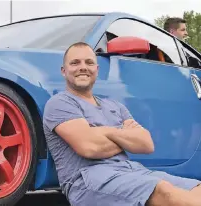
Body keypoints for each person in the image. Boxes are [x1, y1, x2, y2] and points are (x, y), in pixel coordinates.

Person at [42, 42, 201, 206]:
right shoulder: (60, 103)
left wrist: (103, 132)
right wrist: (125, 135)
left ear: (97, 69)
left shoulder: (115, 106)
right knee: (163, 190)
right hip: (89, 181)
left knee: (197, 187)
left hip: (131, 170)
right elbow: (89, 147)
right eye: (75, 63)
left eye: (89, 62)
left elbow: (146, 144)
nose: (83, 67)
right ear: (63, 71)